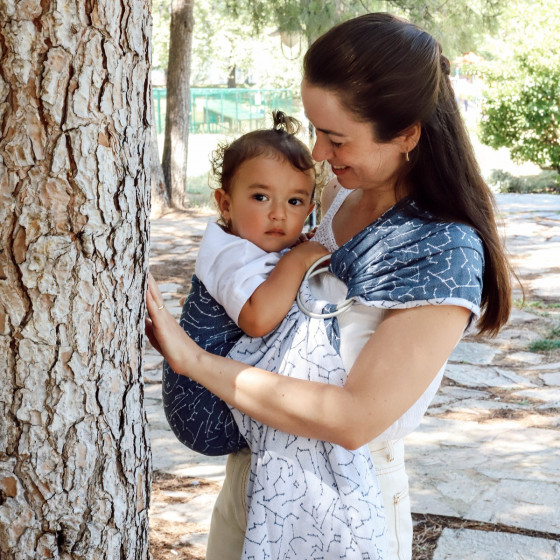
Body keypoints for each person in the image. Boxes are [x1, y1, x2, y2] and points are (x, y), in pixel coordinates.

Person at [146, 12, 512, 560]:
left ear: (407, 134)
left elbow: (353, 418)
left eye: (336, 138)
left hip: (341, 500)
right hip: (254, 472)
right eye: (317, 131)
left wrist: (193, 360)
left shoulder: (441, 249)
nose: (317, 154)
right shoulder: (340, 195)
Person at [161, 111, 329, 456]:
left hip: (222, 396)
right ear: (225, 204)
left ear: (309, 209)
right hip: (205, 408)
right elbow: (256, 319)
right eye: (260, 197)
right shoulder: (229, 254)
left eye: (294, 202)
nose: (278, 213)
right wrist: (298, 259)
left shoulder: (255, 246)